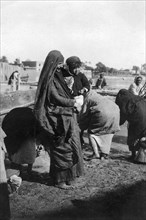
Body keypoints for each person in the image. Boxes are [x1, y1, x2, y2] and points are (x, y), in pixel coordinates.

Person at [34, 50, 84, 189]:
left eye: (62, 64)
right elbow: (55, 98)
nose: (61, 66)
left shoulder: (57, 76)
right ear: (53, 64)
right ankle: (60, 181)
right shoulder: (49, 80)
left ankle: (68, 177)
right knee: (60, 148)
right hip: (54, 118)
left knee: (67, 146)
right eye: (59, 63)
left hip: (63, 115)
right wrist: (73, 103)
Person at [79, 89, 120, 160]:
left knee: (92, 133)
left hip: (103, 112)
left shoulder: (88, 98)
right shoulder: (100, 97)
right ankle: (104, 154)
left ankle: (95, 153)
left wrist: (80, 124)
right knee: (109, 132)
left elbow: (83, 114)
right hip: (115, 111)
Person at [115, 89, 146, 160]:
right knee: (143, 135)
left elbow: (123, 113)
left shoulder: (125, 100)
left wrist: (118, 123)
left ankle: (133, 155)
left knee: (132, 134)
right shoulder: (137, 98)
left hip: (138, 119)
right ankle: (140, 154)